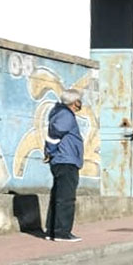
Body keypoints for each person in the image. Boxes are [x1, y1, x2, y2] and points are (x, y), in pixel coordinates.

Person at [44, 89, 84, 242]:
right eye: (80, 101)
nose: (81, 104)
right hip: (66, 160)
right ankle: (62, 232)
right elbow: (55, 133)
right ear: (75, 102)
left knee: (58, 196)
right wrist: (51, 151)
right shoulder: (65, 115)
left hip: (62, 159)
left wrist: (50, 152)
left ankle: (52, 231)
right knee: (66, 198)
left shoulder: (59, 112)